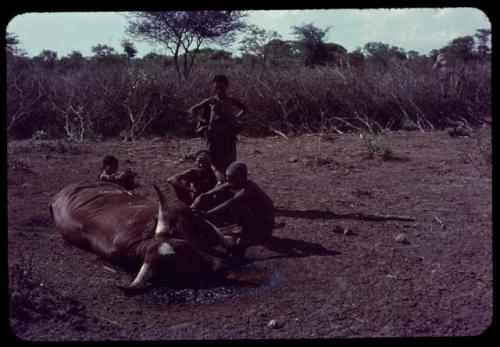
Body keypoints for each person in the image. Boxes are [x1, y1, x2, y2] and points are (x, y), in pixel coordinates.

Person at [191, 161, 275, 257]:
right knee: (219, 194)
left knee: (236, 205)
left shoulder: (249, 188)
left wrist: (207, 213)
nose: (229, 181)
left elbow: (232, 202)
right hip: (254, 220)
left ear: (243, 177)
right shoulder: (234, 183)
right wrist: (198, 200)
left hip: (264, 228)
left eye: (233, 179)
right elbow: (206, 194)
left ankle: (249, 234)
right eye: (228, 178)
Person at [189, 74, 247, 173]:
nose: (218, 90)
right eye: (216, 88)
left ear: (226, 87)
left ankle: (229, 179)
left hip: (228, 135)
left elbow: (244, 109)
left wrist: (236, 118)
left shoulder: (231, 100)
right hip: (213, 135)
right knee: (211, 157)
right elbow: (192, 110)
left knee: (229, 159)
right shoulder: (211, 101)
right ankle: (212, 178)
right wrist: (202, 121)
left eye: (221, 87)